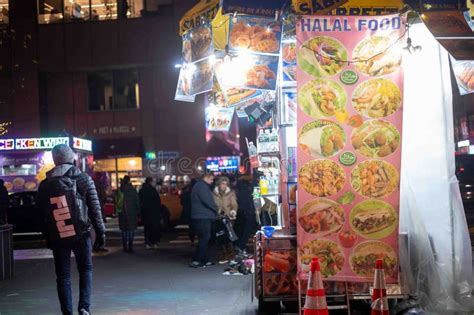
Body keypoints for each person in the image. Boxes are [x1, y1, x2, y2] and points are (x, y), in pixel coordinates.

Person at [37, 144, 106, 315]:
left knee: (63, 277)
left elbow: (41, 214)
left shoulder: (45, 184)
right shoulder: (83, 179)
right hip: (81, 233)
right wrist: (101, 232)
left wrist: (48, 236)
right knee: (86, 270)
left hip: (58, 234)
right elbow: (95, 209)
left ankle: (67, 312)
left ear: (54, 160)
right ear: (72, 158)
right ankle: (84, 308)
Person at [190, 173, 218, 268]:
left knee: (205, 238)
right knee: (205, 238)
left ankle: (204, 259)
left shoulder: (199, 185)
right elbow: (207, 201)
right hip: (203, 216)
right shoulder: (202, 186)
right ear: (206, 178)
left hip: (201, 216)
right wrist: (216, 209)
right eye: (211, 179)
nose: (212, 181)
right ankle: (198, 260)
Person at [212, 176, 238, 264]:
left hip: (228, 217)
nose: (224, 186)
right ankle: (222, 256)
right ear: (219, 184)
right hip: (218, 217)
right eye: (222, 183)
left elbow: (234, 204)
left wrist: (233, 211)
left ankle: (231, 256)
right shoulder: (213, 193)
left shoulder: (231, 192)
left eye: (226, 184)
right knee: (219, 237)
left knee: (229, 237)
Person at [235, 178, 257, 258]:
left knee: (246, 231)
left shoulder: (240, 191)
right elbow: (254, 200)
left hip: (244, 212)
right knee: (248, 230)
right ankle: (241, 246)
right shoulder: (252, 189)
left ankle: (241, 246)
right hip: (251, 212)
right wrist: (256, 210)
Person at [139, 177, 162, 249]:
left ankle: (147, 243)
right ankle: (154, 242)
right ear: (150, 182)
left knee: (147, 228)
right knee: (154, 228)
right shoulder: (153, 190)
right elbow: (158, 202)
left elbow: (139, 201)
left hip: (145, 212)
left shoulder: (142, 190)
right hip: (153, 212)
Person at [118, 176, 139, 253]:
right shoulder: (132, 190)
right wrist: (138, 211)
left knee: (124, 230)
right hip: (132, 212)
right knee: (131, 230)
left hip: (122, 213)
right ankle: (130, 246)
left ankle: (124, 246)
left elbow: (117, 202)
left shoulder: (120, 190)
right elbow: (137, 201)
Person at [180, 178, 196, 244]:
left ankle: (192, 239)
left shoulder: (186, 193)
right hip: (195, 212)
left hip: (188, 212)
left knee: (191, 226)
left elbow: (182, 202)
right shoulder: (196, 193)